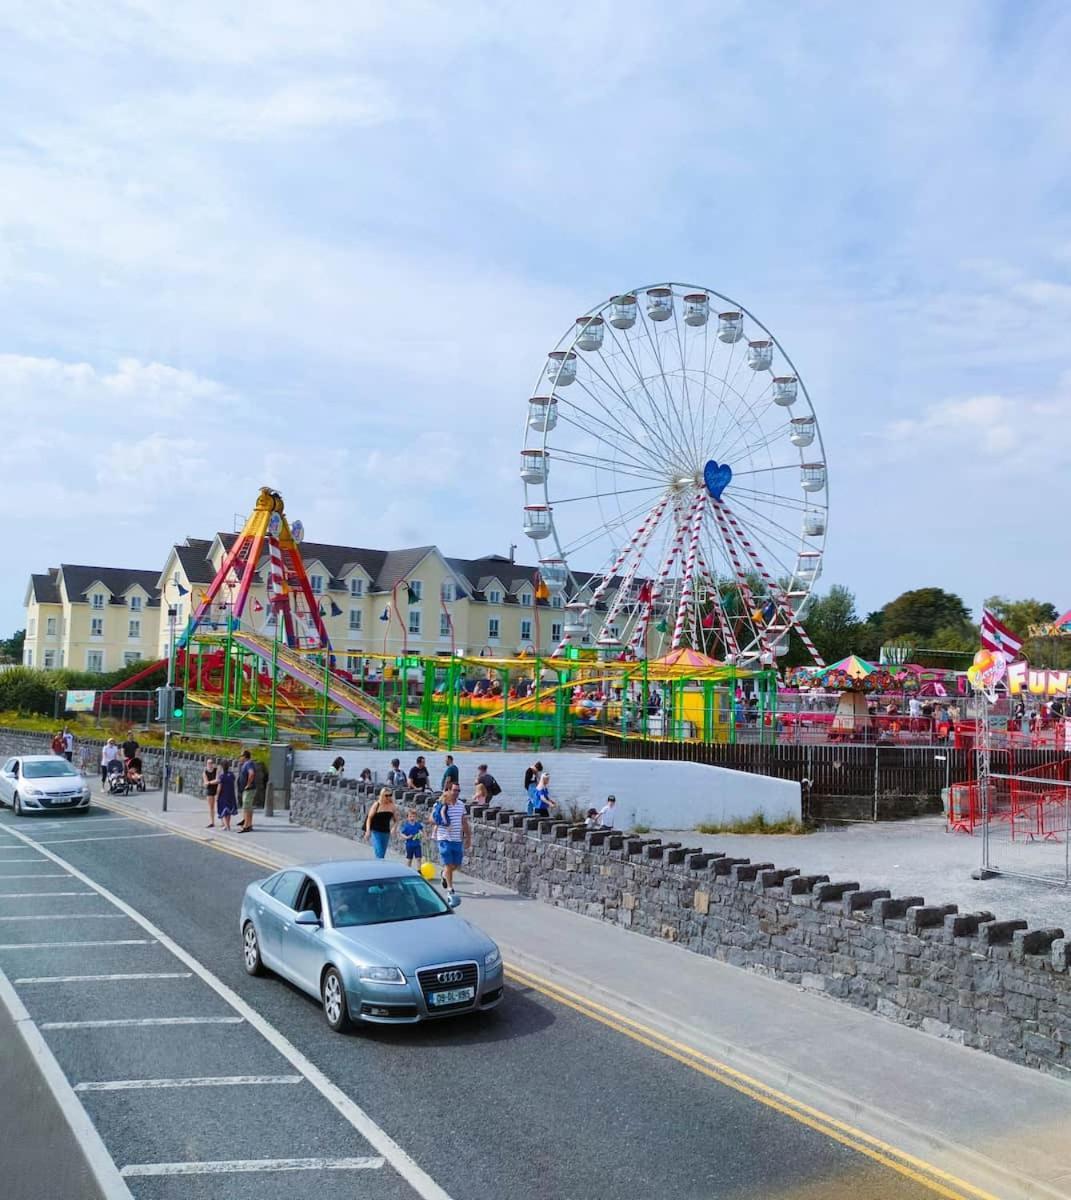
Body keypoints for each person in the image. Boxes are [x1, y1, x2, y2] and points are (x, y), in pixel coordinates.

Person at [433, 781, 471, 895]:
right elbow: (431, 819)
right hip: (444, 838)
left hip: (457, 838)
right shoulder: (440, 804)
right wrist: (443, 822)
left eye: (458, 790)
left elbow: (464, 822)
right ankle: (450, 888)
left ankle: (444, 874)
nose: (456, 793)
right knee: (449, 864)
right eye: (454, 790)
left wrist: (468, 837)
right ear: (448, 790)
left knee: (456, 865)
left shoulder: (461, 805)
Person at [364, 787, 398, 859]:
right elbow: (369, 818)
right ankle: (379, 868)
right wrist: (368, 831)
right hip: (376, 832)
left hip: (386, 832)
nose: (388, 797)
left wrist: (394, 828)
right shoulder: (377, 804)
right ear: (382, 795)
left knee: (382, 854)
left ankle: (378, 867)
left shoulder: (392, 806)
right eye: (386, 795)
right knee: (380, 853)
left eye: (390, 795)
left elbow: (396, 820)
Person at [236, 750, 257, 832]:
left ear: (245, 756)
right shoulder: (246, 764)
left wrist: (248, 784)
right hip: (248, 789)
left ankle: (246, 826)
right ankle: (249, 825)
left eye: (241, 756)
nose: (240, 758)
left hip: (249, 789)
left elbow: (251, 773)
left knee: (246, 807)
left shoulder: (248, 763)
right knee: (249, 807)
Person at [216, 759, 237, 832]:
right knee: (229, 811)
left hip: (223, 795)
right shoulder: (231, 775)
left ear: (222, 767)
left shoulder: (222, 776)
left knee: (224, 811)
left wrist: (217, 796)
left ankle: (227, 827)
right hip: (231, 795)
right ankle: (227, 825)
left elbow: (219, 787)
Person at [202, 757, 219, 829]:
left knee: (219, 806)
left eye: (211, 763)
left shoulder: (216, 770)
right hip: (210, 790)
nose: (210, 764)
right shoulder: (205, 772)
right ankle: (212, 822)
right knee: (211, 807)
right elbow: (205, 783)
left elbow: (217, 780)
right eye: (209, 763)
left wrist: (209, 782)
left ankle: (222, 822)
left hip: (217, 789)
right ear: (206, 764)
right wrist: (209, 782)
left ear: (213, 764)